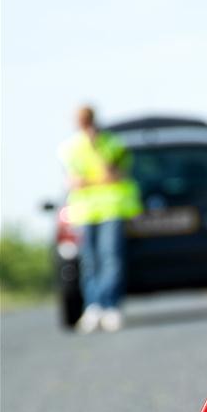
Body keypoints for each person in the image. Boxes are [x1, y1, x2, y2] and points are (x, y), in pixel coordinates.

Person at [59, 106, 142, 332]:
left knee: (111, 258)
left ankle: (110, 305)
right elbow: (74, 180)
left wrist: (96, 149)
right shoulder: (71, 148)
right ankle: (93, 306)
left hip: (111, 208)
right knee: (89, 261)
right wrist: (97, 179)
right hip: (85, 211)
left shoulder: (111, 143)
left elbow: (115, 173)